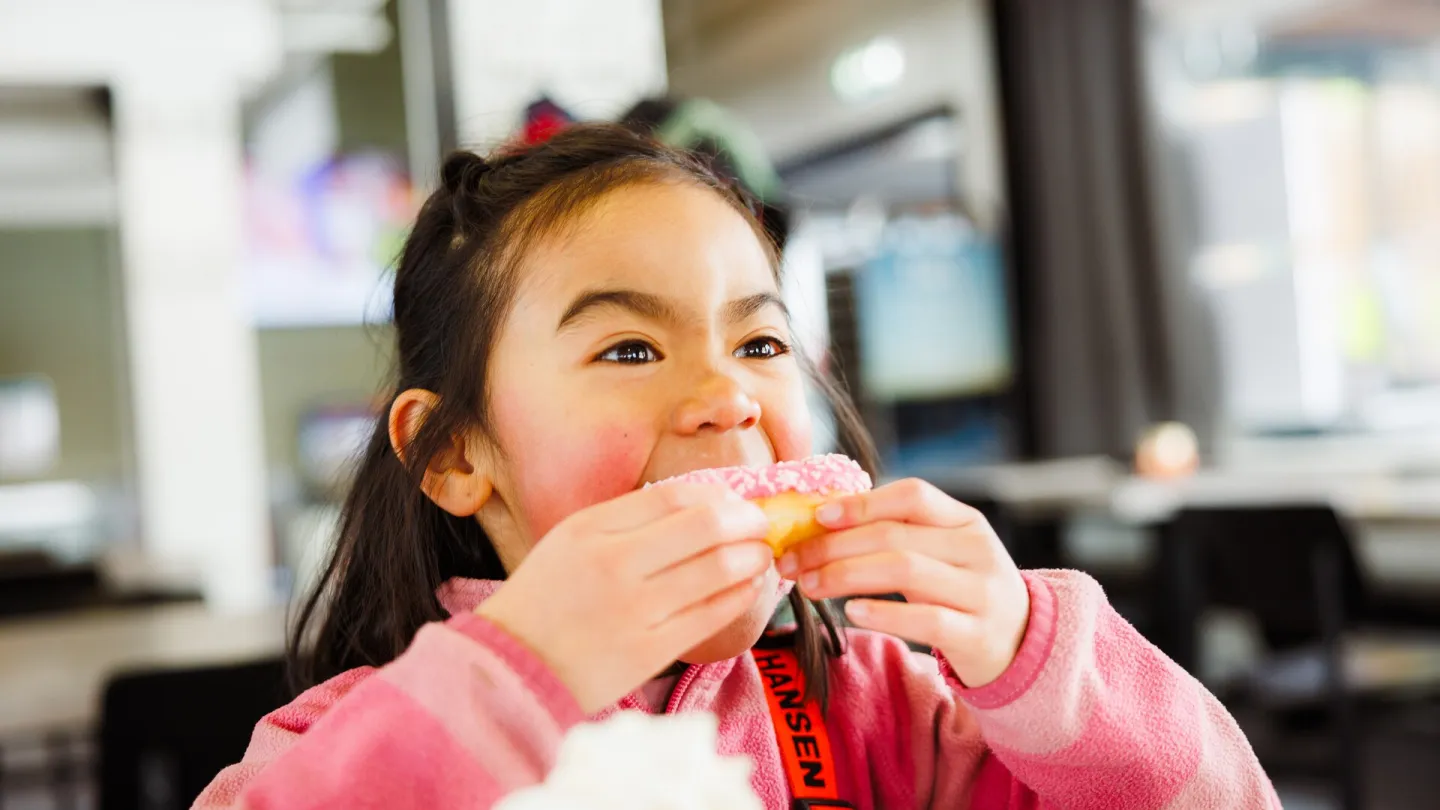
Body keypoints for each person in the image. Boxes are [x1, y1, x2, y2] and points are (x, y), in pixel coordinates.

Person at [195, 124, 1278, 810]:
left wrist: (1034, 654)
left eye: (759, 344)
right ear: (455, 456)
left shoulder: (881, 716)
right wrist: (518, 670)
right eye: (629, 348)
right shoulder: (342, 744)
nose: (729, 399)